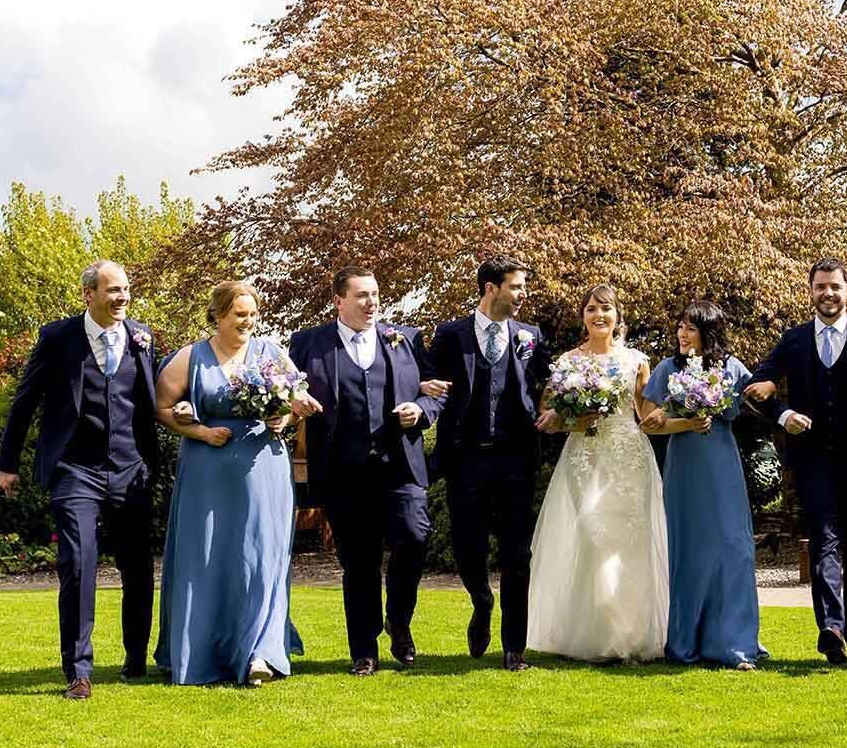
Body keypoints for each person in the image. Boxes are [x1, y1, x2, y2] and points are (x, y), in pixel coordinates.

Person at [0, 260, 158, 700]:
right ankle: (79, 671)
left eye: (126, 289)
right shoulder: (57, 338)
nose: (122, 297)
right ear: (89, 294)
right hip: (74, 469)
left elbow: (150, 402)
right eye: (113, 290)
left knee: (138, 568)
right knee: (79, 564)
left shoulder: (143, 337)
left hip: (129, 468)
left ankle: (135, 658)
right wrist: (7, 463)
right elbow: (24, 402)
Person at [744, 258, 847, 666]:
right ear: (810, 291)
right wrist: (783, 415)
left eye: (834, 286)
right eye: (820, 287)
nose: (827, 293)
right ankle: (831, 630)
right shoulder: (793, 340)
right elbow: (756, 388)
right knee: (824, 545)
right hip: (813, 459)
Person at [287, 266, 444, 676]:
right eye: (361, 295)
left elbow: (437, 392)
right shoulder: (308, 344)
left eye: (374, 294)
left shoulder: (405, 339)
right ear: (338, 301)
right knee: (359, 563)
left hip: (400, 466)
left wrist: (421, 410)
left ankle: (399, 619)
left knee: (413, 537)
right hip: (344, 471)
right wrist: (294, 402)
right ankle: (364, 649)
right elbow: (284, 389)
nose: (371, 302)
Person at [152, 280, 304, 685]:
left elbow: (297, 400)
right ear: (218, 315)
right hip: (207, 475)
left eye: (253, 314)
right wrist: (200, 431)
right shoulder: (190, 357)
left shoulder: (271, 353)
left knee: (260, 560)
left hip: (263, 473)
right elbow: (162, 408)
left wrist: (285, 419)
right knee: (206, 560)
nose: (248, 321)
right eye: (240, 314)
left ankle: (261, 653)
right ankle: (200, 652)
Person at [526, 285, 669, 662]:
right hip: (585, 457)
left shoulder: (637, 360)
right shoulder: (568, 361)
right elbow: (547, 417)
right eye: (591, 309)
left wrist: (683, 414)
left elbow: (645, 413)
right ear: (583, 316)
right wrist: (573, 418)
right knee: (592, 535)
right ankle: (594, 634)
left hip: (628, 457)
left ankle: (630, 636)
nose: (598, 315)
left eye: (606, 309)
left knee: (629, 545)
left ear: (618, 316)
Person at [427, 256, 551, 671]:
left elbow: (548, 385)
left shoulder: (530, 335)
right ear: (490, 288)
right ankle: (481, 600)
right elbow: (428, 385)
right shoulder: (449, 336)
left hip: (515, 458)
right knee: (468, 546)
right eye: (515, 286)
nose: (522, 294)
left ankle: (514, 646)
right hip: (465, 459)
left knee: (517, 554)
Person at [641, 301, 768, 669]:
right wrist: (686, 422)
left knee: (733, 549)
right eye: (680, 326)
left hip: (722, 464)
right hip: (685, 467)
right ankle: (685, 643)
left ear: (708, 333)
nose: (682, 334)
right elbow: (649, 422)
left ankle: (735, 644)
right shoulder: (667, 369)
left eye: (691, 328)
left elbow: (758, 400)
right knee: (690, 552)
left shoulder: (732, 367)